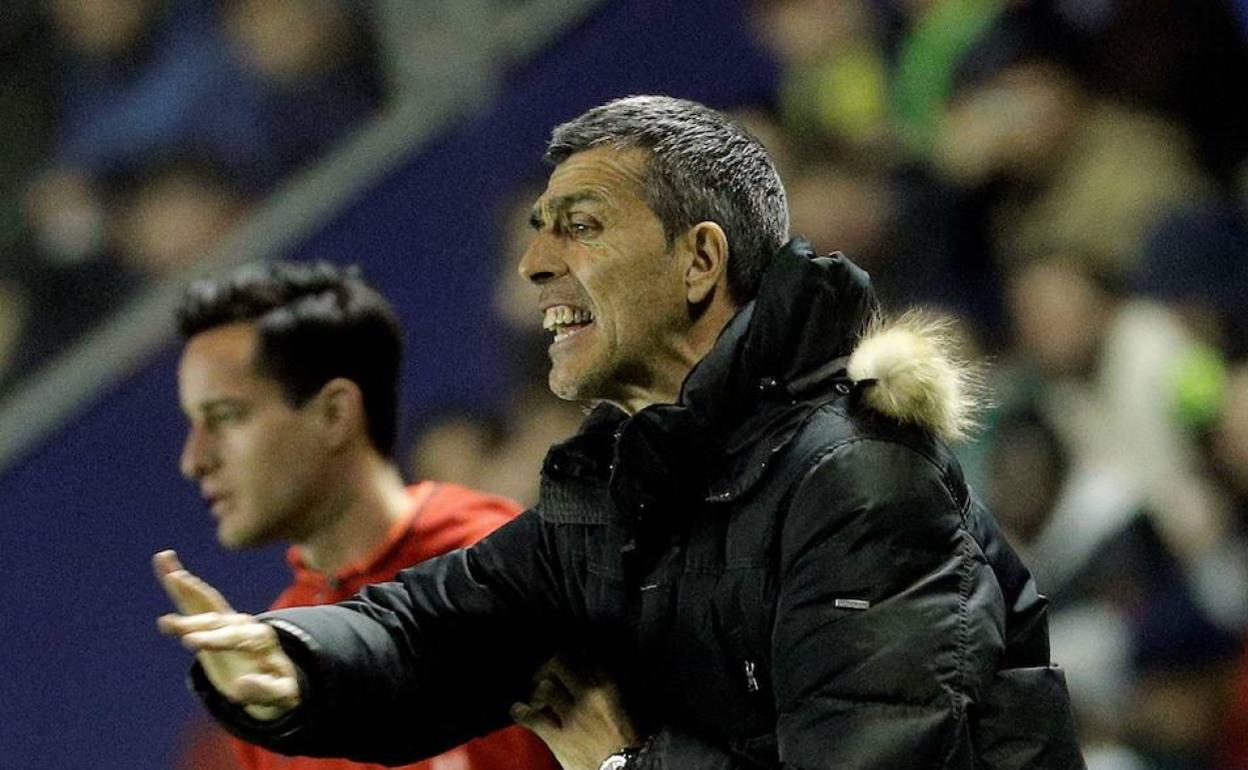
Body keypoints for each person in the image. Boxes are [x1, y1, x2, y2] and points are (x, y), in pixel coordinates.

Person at [157, 95, 1085, 769]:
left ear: (699, 260)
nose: (533, 265)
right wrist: (295, 662)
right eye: (537, 232)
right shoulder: (616, 493)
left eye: (581, 226)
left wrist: (621, 768)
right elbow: (436, 628)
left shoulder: (857, 481)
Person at [169, 261, 559, 770]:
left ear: (334, 413)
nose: (194, 459)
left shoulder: (496, 561)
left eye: (226, 418)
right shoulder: (269, 665)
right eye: (194, 424)